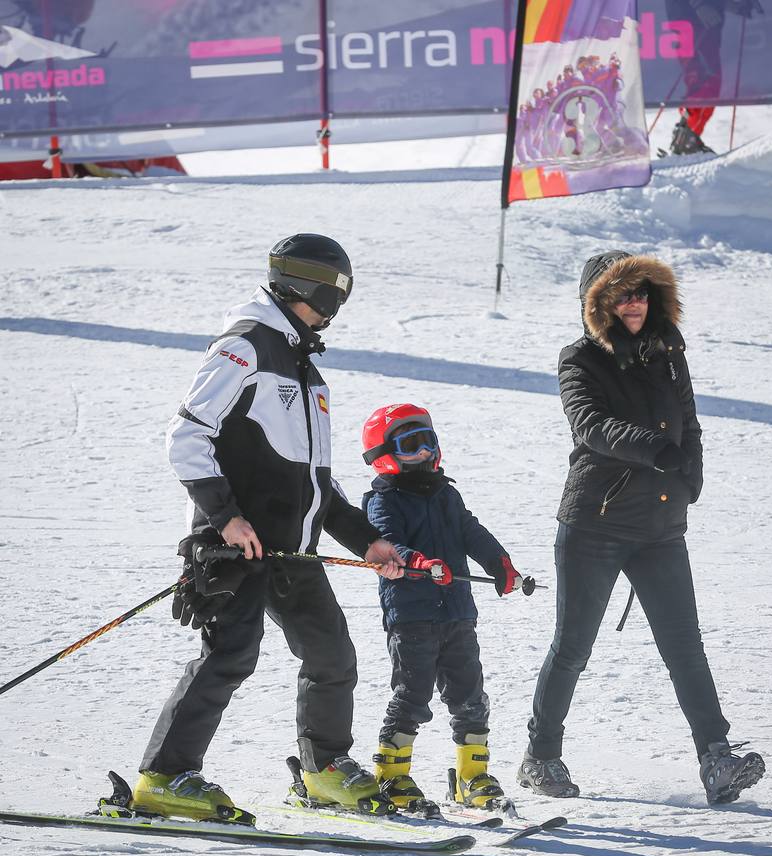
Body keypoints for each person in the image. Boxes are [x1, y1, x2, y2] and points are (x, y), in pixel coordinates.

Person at [133, 234, 406, 822]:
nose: (336, 308)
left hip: (292, 551)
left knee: (332, 654)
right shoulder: (246, 346)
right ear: (309, 288)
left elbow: (313, 483)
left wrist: (367, 540)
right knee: (229, 655)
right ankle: (163, 777)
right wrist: (224, 517)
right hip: (237, 546)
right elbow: (186, 437)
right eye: (334, 295)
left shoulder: (304, 366)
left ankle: (324, 769)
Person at [518, 251, 765, 805]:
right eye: (621, 295)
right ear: (599, 304)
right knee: (573, 647)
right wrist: (656, 451)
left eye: (642, 293)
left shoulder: (668, 352)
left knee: (685, 646)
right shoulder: (579, 359)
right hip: (595, 524)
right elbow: (590, 425)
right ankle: (541, 756)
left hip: (660, 526)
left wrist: (690, 479)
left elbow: (690, 420)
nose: (634, 303)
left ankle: (716, 759)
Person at [361, 404, 522, 810]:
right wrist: (417, 561)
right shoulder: (383, 499)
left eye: (427, 442)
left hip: (457, 614)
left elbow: (471, 532)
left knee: (470, 695)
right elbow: (386, 541)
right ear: (385, 453)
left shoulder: (446, 493)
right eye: (409, 444)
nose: (422, 453)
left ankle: (471, 777)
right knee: (412, 695)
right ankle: (392, 778)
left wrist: (499, 564)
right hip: (412, 615)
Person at [666, 0, 763, 155]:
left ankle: (688, 137)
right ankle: (686, 140)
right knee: (705, 81)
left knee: (707, 82)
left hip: (701, 19)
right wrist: (699, 5)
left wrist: (730, 4)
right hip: (691, 18)